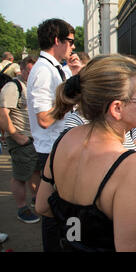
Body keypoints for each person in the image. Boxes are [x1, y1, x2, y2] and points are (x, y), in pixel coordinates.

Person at [35, 55, 136, 252]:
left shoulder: (64, 139)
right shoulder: (128, 165)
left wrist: (79, 230)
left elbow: (43, 206)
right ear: (117, 108)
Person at [27, 18, 75, 251]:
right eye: (70, 41)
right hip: (50, 150)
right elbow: (44, 119)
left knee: (58, 209)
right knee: (51, 210)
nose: (72, 46)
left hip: (55, 147)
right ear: (57, 40)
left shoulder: (52, 67)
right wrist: (70, 100)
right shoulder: (44, 71)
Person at [0, 56, 40, 224]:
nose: (32, 74)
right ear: (22, 69)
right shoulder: (12, 87)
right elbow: (2, 114)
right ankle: (22, 208)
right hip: (20, 139)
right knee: (20, 175)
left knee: (35, 171)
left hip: (33, 139)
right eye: (29, 71)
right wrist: (16, 136)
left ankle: (36, 200)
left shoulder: (31, 86)